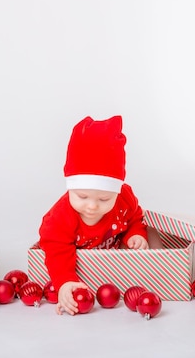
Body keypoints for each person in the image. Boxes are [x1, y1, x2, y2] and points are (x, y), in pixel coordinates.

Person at [39, 115, 161, 315]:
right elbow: (55, 248)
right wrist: (65, 282)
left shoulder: (124, 200)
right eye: (82, 196)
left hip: (119, 263)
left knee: (151, 236)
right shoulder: (62, 216)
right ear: (71, 187)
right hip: (76, 265)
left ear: (116, 191)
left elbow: (136, 219)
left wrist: (136, 234)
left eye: (104, 199)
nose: (92, 206)